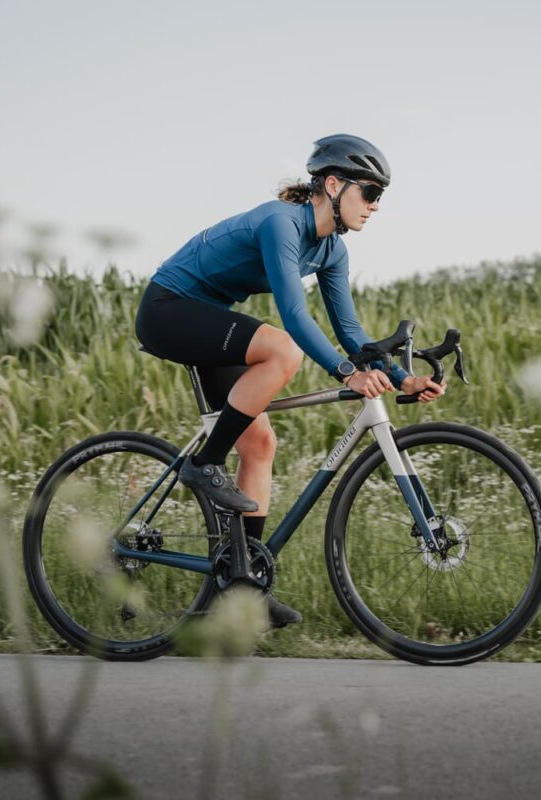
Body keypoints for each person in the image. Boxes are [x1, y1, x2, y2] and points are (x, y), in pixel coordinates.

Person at [135, 134, 446, 626]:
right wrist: (347, 373)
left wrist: (402, 379)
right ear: (332, 184)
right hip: (167, 309)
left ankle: (242, 590)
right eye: (370, 193)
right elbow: (295, 318)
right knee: (282, 348)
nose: (375, 206)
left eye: (380, 197)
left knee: (259, 444)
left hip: (209, 318)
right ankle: (205, 464)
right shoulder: (281, 224)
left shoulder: (332, 251)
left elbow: (349, 331)